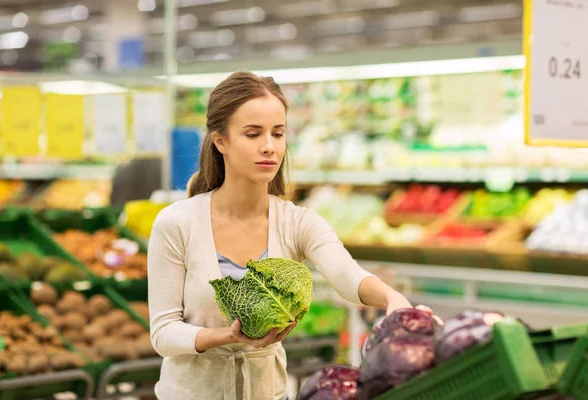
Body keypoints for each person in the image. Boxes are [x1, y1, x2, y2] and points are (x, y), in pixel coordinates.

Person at [147, 71, 434, 400]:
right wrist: (227, 336)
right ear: (220, 140)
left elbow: (345, 273)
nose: (269, 147)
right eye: (253, 134)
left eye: (278, 133)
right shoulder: (177, 222)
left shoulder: (296, 222)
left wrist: (391, 299)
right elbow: (164, 333)